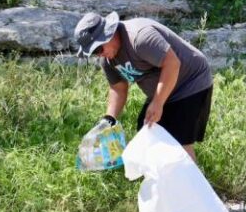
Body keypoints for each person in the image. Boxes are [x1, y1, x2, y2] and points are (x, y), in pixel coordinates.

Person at [74, 11, 213, 162]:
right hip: (164, 90)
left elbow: (172, 64)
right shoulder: (108, 61)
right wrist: (109, 120)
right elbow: (118, 88)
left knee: (179, 143)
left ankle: (190, 177)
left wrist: (158, 103)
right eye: (94, 52)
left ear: (108, 34)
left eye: (98, 49)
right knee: (146, 136)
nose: (99, 54)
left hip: (190, 82)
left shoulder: (140, 38)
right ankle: (163, 176)